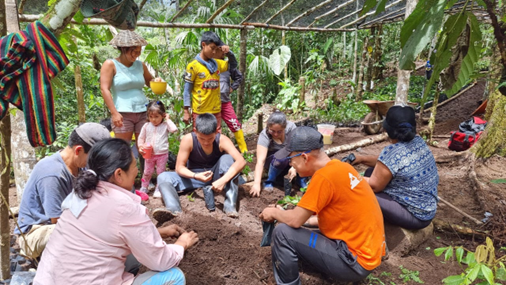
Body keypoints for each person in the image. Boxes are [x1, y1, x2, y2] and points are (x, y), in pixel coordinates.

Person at [34, 138, 199, 285]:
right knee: (175, 277)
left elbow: (102, 234)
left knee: (133, 255)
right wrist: (181, 244)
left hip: (47, 279)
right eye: (135, 166)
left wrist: (158, 232)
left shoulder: (81, 192)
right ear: (119, 174)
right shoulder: (125, 207)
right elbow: (161, 261)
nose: (136, 172)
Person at [259, 126, 385, 285]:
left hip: (353, 262)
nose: (291, 164)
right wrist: (288, 216)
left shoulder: (323, 178)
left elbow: (295, 220)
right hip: (366, 254)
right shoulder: (341, 167)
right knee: (293, 227)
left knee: (282, 232)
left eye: (291, 159)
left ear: (305, 157)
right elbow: (325, 218)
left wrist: (274, 213)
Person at [15, 123, 110, 259]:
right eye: (92, 157)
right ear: (78, 150)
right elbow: (58, 221)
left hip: (64, 222)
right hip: (36, 232)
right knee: (76, 231)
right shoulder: (52, 173)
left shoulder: (79, 166)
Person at [351, 105, 439, 230]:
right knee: (370, 171)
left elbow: (375, 185)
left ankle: (356, 224)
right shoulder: (418, 141)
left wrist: (347, 174)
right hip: (426, 207)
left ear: (388, 130)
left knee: (360, 190)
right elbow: (388, 163)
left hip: (416, 216)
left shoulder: (392, 151)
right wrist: (362, 159)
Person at [153, 113, 246, 220]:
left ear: (216, 132)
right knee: (163, 177)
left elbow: (241, 161)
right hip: (194, 177)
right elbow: (179, 167)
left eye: (210, 138)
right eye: (202, 138)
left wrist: (222, 180)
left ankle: (230, 207)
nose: (206, 142)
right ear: (195, 131)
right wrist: (196, 175)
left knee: (227, 159)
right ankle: (174, 210)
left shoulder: (222, 140)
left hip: (217, 176)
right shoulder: (188, 140)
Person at [100, 30, 153, 145]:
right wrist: (114, 113)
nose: (136, 55)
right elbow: (104, 89)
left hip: (143, 111)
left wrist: (157, 82)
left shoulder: (140, 65)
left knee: (145, 147)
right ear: (123, 49)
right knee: (122, 148)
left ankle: (144, 164)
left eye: (139, 52)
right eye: (133, 51)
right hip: (122, 113)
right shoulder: (110, 64)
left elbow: (150, 82)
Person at [182, 31, 238, 133]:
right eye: (212, 48)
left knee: (216, 138)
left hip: (216, 111)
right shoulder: (193, 66)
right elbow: (187, 90)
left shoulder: (217, 64)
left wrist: (229, 53)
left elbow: (233, 65)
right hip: (200, 112)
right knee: (200, 139)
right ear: (203, 45)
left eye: (216, 49)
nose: (214, 52)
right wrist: (186, 110)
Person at [250, 111, 306, 197]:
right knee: (281, 158)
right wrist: (256, 183)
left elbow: (298, 149)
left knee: (307, 151)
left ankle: (301, 179)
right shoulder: (264, 135)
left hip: (291, 157)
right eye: (272, 131)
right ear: (268, 127)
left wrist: (294, 167)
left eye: (279, 131)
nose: (276, 134)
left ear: (285, 128)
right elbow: (260, 161)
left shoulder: (291, 128)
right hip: (274, 161)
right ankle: (270, 181)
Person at [138, 100, 178, 197]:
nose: (153, 119)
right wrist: (140, 146)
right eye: (151, 117)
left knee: (161, 172)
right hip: (149, 154)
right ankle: (144, 186)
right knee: (147, 172)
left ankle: (159, 188)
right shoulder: (146, 126)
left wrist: (168, 119)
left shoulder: (165, 126)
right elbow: (141, 138)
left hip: (162, 154)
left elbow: (174, 130)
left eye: (157, 117)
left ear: (163, 115)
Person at [213, 45, 247, 153]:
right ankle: (216, 152)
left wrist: (232, 88)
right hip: (211, 103)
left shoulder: (227, 66)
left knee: (235, 124)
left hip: (225, 102)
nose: (222, 54)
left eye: (223, 53)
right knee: (214, 128)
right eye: (220, 52)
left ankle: (244, 150)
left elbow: (238, 76)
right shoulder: (208, 65)